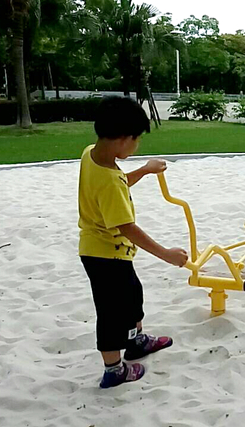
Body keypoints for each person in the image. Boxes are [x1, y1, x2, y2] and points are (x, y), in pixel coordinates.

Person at [78, 96, 188, 389]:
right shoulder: (110, 182)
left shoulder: (92, 154)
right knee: (112, 313)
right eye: (137, 139)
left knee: (131, 297)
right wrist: (166, 254)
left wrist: (144, 170)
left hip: (108, 253)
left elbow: (118, 181)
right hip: (105, 255)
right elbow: (126, 226)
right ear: (124, 139)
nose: (137, 145)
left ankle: (136, 342)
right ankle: (113, 370)